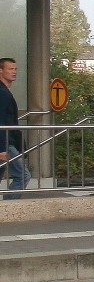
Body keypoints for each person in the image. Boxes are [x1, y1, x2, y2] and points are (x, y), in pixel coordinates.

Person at [0, 57, 32, 196]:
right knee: (22, 175)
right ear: (1, 71)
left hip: (7, 141)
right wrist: (1, 148)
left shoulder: (4, 92)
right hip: (6, 142)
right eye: (10, 69)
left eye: (15, 69)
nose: (14, 72)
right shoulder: (2, 93)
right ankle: (7, 209)